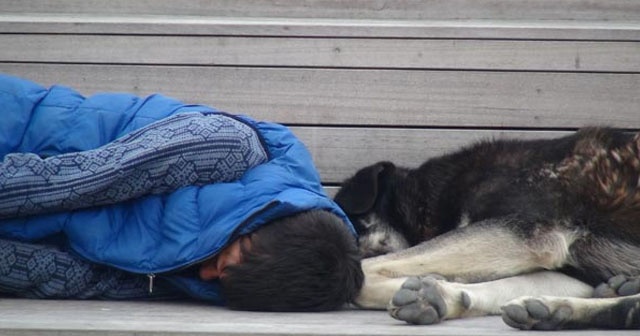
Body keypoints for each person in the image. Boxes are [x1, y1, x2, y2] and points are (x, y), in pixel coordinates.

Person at [0, 74, 364, 311]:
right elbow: (75, 179)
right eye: (225, 263)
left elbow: (75, 277)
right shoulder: (229, 147)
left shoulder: (218, 277)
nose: (206, 277)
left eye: (220, 280)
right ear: (258, 229)